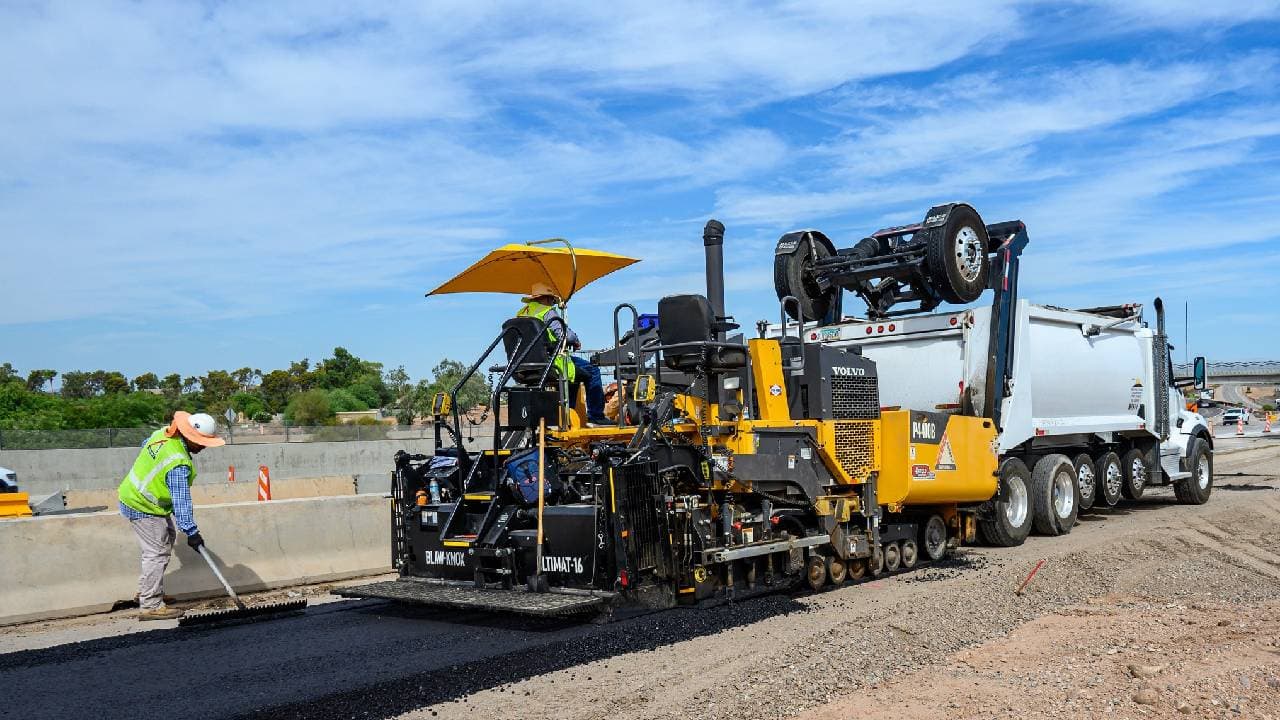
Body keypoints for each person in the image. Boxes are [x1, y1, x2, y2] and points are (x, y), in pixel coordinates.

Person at [117, 411, 225, 620]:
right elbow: (181, 502)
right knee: (156, 552)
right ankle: (150, 604)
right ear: (189, 437)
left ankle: (148, 591)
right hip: (142, 504)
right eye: (200, 442)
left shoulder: (162, 434)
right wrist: (192, 532)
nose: (203, 447)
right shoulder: (178, 464)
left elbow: (144, 446)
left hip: (139, 496)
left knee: (165, 541)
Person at [518, 283, 608, 425]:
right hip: (552, 361)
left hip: (525, 364)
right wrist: (575, 340)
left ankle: (567, 415)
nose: (552, 303)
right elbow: (565, 336)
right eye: (552, 300)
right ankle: (596, 415)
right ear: (547, 298)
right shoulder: (547, 312)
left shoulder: (521, 314)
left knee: (577, 374)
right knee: (592, 370)